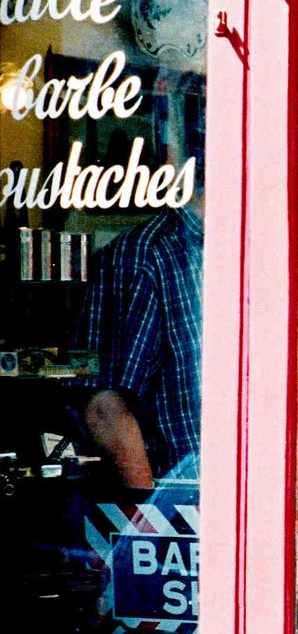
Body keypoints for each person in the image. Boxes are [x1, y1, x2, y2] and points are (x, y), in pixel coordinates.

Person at [73, 204, 204, 488]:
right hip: (181, 505)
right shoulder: (139, 257)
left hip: (254, 497)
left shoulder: (259, 248)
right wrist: (151, 519)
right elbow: (103, 409)